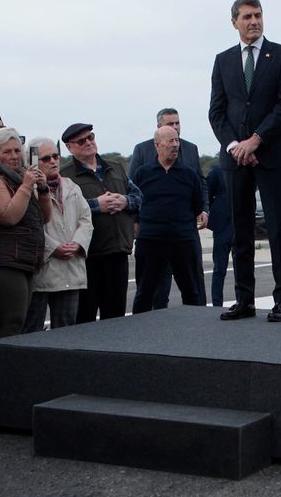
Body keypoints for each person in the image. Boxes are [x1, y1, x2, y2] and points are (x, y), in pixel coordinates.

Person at [208, 0, 281, 323]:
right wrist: (236, 145)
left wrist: (256, 140)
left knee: (278, 229)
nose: (254, 22)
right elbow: (217, 111)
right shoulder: (223, 60)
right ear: (234, 22)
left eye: (258, 15)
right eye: (246, 16)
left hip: (271, 153)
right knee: (241, 230)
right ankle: (244, 298)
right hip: (235, 159)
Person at [129, 108, 208, 307]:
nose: (175, 144)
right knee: (147, 291)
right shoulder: (143, 169)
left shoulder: (188, 171)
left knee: (192, 289)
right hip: (151, 238)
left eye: (177, 139)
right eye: (170, 140)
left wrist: (203, 211)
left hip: (183, 237)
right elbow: (132, 196)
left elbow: (198, 198)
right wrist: (135, 223)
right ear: (157, 144)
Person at [0, 126, 49, 337]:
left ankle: (7, 367)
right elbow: (7, 216)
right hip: (3, 263)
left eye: (17, 150)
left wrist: (42, 190)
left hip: (20, 260)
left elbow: (44, 218)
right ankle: (3, 368)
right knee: (11, 323)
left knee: (17, 321)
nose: (15, 156)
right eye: (7, 152)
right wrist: (26, 187)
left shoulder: (18, 177)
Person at [60, 123, 139, 322]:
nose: (88, 142)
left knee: (115, 318)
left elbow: (138, 197)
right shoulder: (65, 176)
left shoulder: (116, 167)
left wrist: (124, 201)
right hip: (87, 257)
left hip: (117, 252)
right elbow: (63, 209)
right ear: (70, 147)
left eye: (91, 137)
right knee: (84, 317)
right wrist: (96, 205)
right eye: (81, 141)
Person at [25, 137, 92, 330]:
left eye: (56, 156)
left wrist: (78, 243)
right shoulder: (27, 188)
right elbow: (29, 225)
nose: (53, 161)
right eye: (46, 158)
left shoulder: (72, 186)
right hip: (42, 270)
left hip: (71, 269)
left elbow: (86, 219)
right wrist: (53, 248)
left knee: (66, 330)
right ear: (33, 161)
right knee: (31, 329)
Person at [204, 162, 232, 306]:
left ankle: (244, 301)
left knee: (244, 267)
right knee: (219, 268)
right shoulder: (217, 170)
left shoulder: (247, 166)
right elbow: (207, 193)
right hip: (222, 225)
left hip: (241, 223)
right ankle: (217, 303)